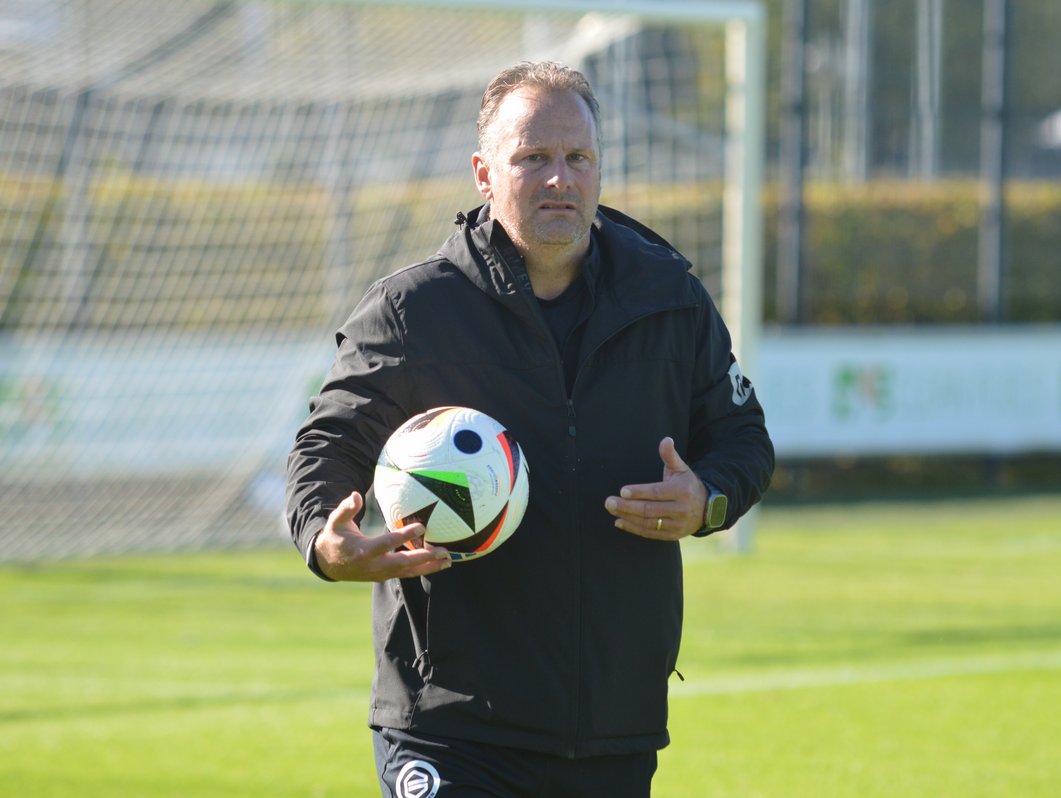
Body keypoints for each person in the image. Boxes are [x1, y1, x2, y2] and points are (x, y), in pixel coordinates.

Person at [286, 61, 774, 798]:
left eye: (578, 158)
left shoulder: (668, 300)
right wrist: (327, 537)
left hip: (612, 723)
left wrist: (707, 498)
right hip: (448, 724)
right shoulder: (414, 312)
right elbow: (326, 445)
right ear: (485, 174)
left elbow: (744, 439)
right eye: (533, 158)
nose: (560, 180)